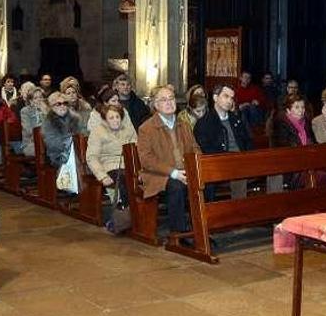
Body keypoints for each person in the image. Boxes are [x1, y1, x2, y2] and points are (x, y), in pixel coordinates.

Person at [136, 86, 200, 236]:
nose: (169, 102)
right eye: (163, 100)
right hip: (159, 175)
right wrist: (173, 173)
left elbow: (195, 148)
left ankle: (201, 229)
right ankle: (178, 233)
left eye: (171, 98)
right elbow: (146, 160)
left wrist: (194, 168)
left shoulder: (183, 125)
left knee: (205, 183)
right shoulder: (146, 128)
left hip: (185, 171)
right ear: (155, 105)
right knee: (177, 186)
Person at [194, 84, 252, 200]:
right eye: (226, 96)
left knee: (275, 171)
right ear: (215, 98)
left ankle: (273, 211)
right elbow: (206, 149)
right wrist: (229, 158)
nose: (229, 101)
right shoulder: (204, 123)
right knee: (239, 175)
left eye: (231, 98)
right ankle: (241, 212)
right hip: (220, 163)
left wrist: (249, 157)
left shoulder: (236, 119)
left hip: (242, 160)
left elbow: (248, 141)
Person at [87, 104, 137, 215]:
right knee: (125, 178)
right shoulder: (98, 132)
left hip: (129, 164)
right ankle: (126, 211)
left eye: (117, 117)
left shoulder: (128, 129)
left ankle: (140, 211)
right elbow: (92, 157)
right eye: (111, 118)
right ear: (105, 119)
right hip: (109, 166)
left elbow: (136, 148)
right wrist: (102, 176)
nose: (115, 120)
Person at [271, 94, 319, 189]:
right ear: (288, 110)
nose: (301, 110)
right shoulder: (281, 124)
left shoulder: (307, 123)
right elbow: (285, 148)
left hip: (308, 162)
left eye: (302, 107)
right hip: (290, 166)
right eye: (297, 107)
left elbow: (313, 142)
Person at [41, 92, 87, 168]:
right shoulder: (49, 122)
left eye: (65, 103)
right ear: (52, 107)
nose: (62, 106)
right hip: (58, 155)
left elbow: (83, 134)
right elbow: (53, 144)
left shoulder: (75, 119)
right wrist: (70, 141)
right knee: (77, 162)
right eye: (58, 104)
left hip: (78, 152)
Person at [17, 82, 47, 157]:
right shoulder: (25, 111)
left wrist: (45, 113)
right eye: (35, 98)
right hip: (30, 144)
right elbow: (29, 130)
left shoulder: (47, 110)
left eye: (41, 97)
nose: (39, 100)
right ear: (30, 101)